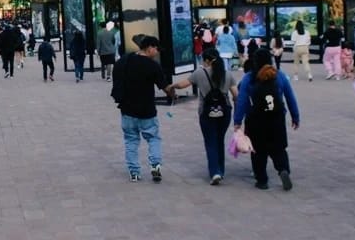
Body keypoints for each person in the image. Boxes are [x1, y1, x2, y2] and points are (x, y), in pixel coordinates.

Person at [168, 47, 237, 185]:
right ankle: (221, 170)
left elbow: (183, 84)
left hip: (206, 112)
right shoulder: (227, 74)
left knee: (210, 142)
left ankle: (215, 172)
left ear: (206, 60)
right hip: (225, 112)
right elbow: (236, 95)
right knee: (219, 140)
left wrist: (172, 86)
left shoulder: (200, 73)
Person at [234, 48, 300, 190]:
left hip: (255, 119)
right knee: (279, 148)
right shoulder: (279, 75)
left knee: (258, 151)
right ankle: (283, 170)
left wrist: (237, 121)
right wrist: (295, 116)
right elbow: (290, 97)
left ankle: (262, 180)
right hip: (277, 118)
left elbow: (242, 100)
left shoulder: (249, 78)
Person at [111, 36, 172, 182]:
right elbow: (165, 87)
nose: (157, 53)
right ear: (150, 47)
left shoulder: (126, 60)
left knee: (131, 141)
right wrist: (173, 91)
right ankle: (155, 166)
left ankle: (134, 173)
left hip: (127, 109)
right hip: (147, 110)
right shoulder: (153, 66)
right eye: (156, 49)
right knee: (153, 139)